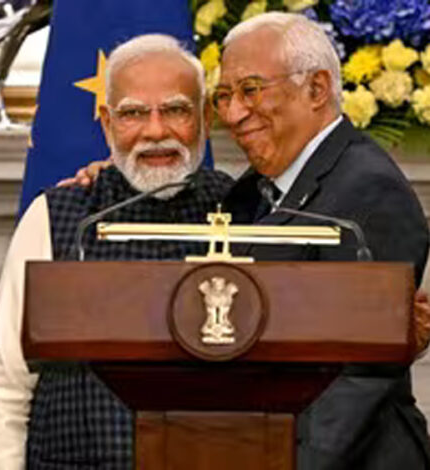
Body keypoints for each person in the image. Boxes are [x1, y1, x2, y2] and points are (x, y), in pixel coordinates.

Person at [62, 12, 430, 469]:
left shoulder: (368, 188)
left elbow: (360, 376)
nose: (233, 115)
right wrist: (112, 177)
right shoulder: (258, 187)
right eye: (224, 96)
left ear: (316, 89)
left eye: (251, 90)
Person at [0, 34, 234, 468]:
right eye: (133, 114)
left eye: (175, 110)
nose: (155, 131)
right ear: (107, 124)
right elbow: (5, 389)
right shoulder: (56, 216)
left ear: (205, 117)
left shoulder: (245, 212)